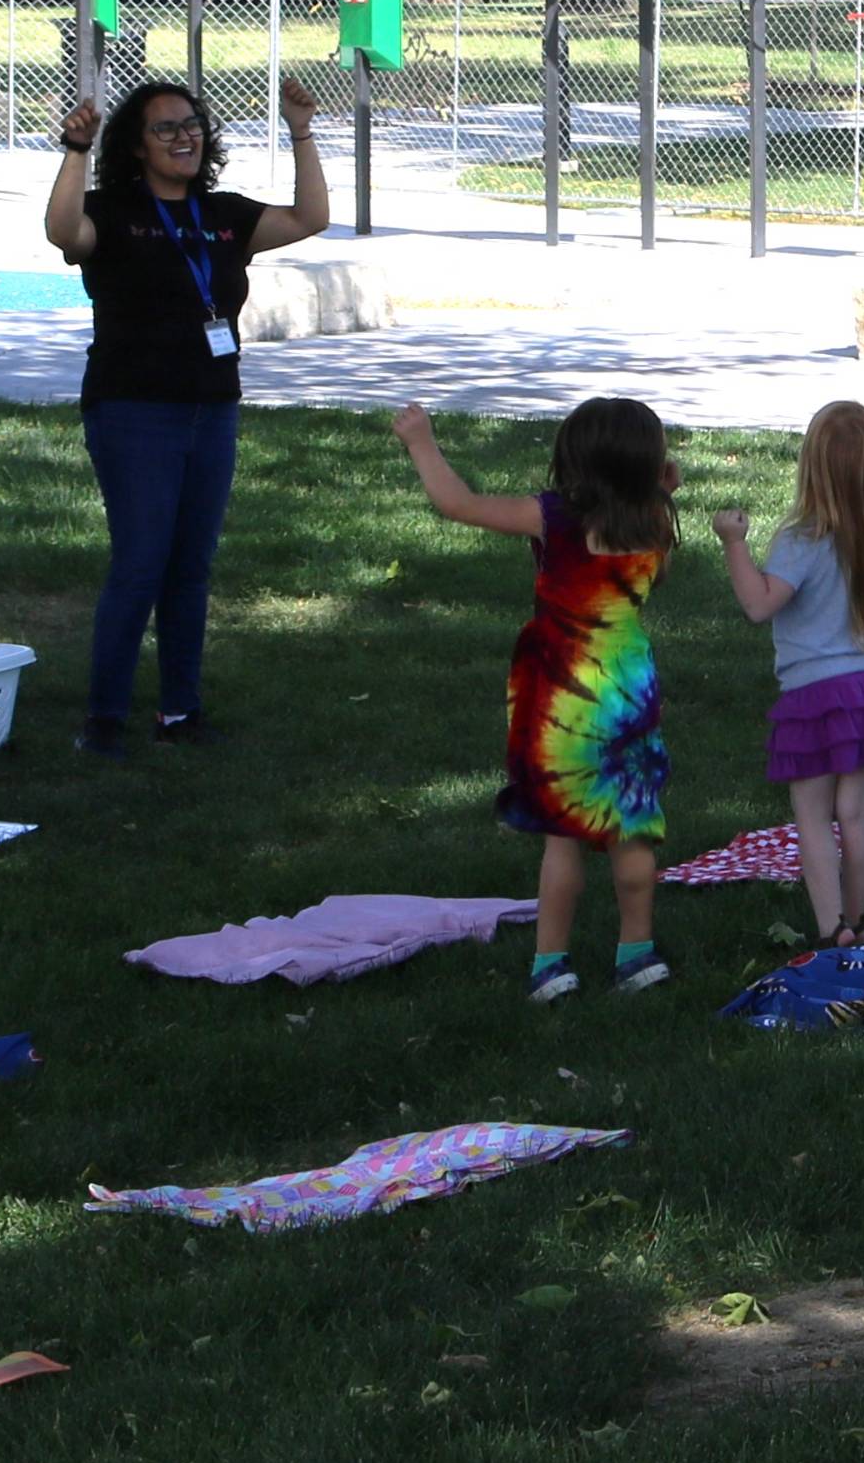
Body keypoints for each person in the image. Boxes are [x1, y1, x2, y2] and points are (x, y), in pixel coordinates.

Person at [43, 71, 335, 754]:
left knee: (190, 566)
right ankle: (104, 718)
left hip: (212, 410)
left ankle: (180, 711)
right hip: (133, 410)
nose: (185, 137)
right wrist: (73, 149)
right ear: (137, 146)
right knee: (140, 561)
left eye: (192, 124)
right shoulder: (112, 211)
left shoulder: (224, 213)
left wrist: (301, 130)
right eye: (167, 128)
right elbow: (64, 232)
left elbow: (310, 217)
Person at [396, 395, 678, 1003]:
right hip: (628, 694)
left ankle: (552, 966)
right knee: (630, 827)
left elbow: (456, 503)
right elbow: (661, 514)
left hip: (564, 702)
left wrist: (421, 440)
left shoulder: (553, 517)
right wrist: (661, 487)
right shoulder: (656, 521)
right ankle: (637, 954)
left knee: (564, 835)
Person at [713, 400, 864, 949]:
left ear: (812, 466)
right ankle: (858, 917)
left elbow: (759, 605)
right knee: (858, 812)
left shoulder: (802, 538)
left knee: (814, 816)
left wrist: (734, 544)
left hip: (813, 696)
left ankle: (832, 930)